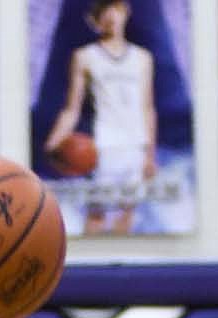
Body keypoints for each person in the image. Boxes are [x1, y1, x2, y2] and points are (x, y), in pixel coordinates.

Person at [44, 2, 156, 237]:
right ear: (95, 20)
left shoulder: (142, 58)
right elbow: (71, 108)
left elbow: (147, 107)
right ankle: (90, 267)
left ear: (125, 12)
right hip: (104, 147)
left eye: (115, 9)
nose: (111, 17)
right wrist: (55, 141)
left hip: (135, 145)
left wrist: (150, 154)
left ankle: (124, 270)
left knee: (128, 213)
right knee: (97, 214)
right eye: (104, 12)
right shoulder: (85, 56)